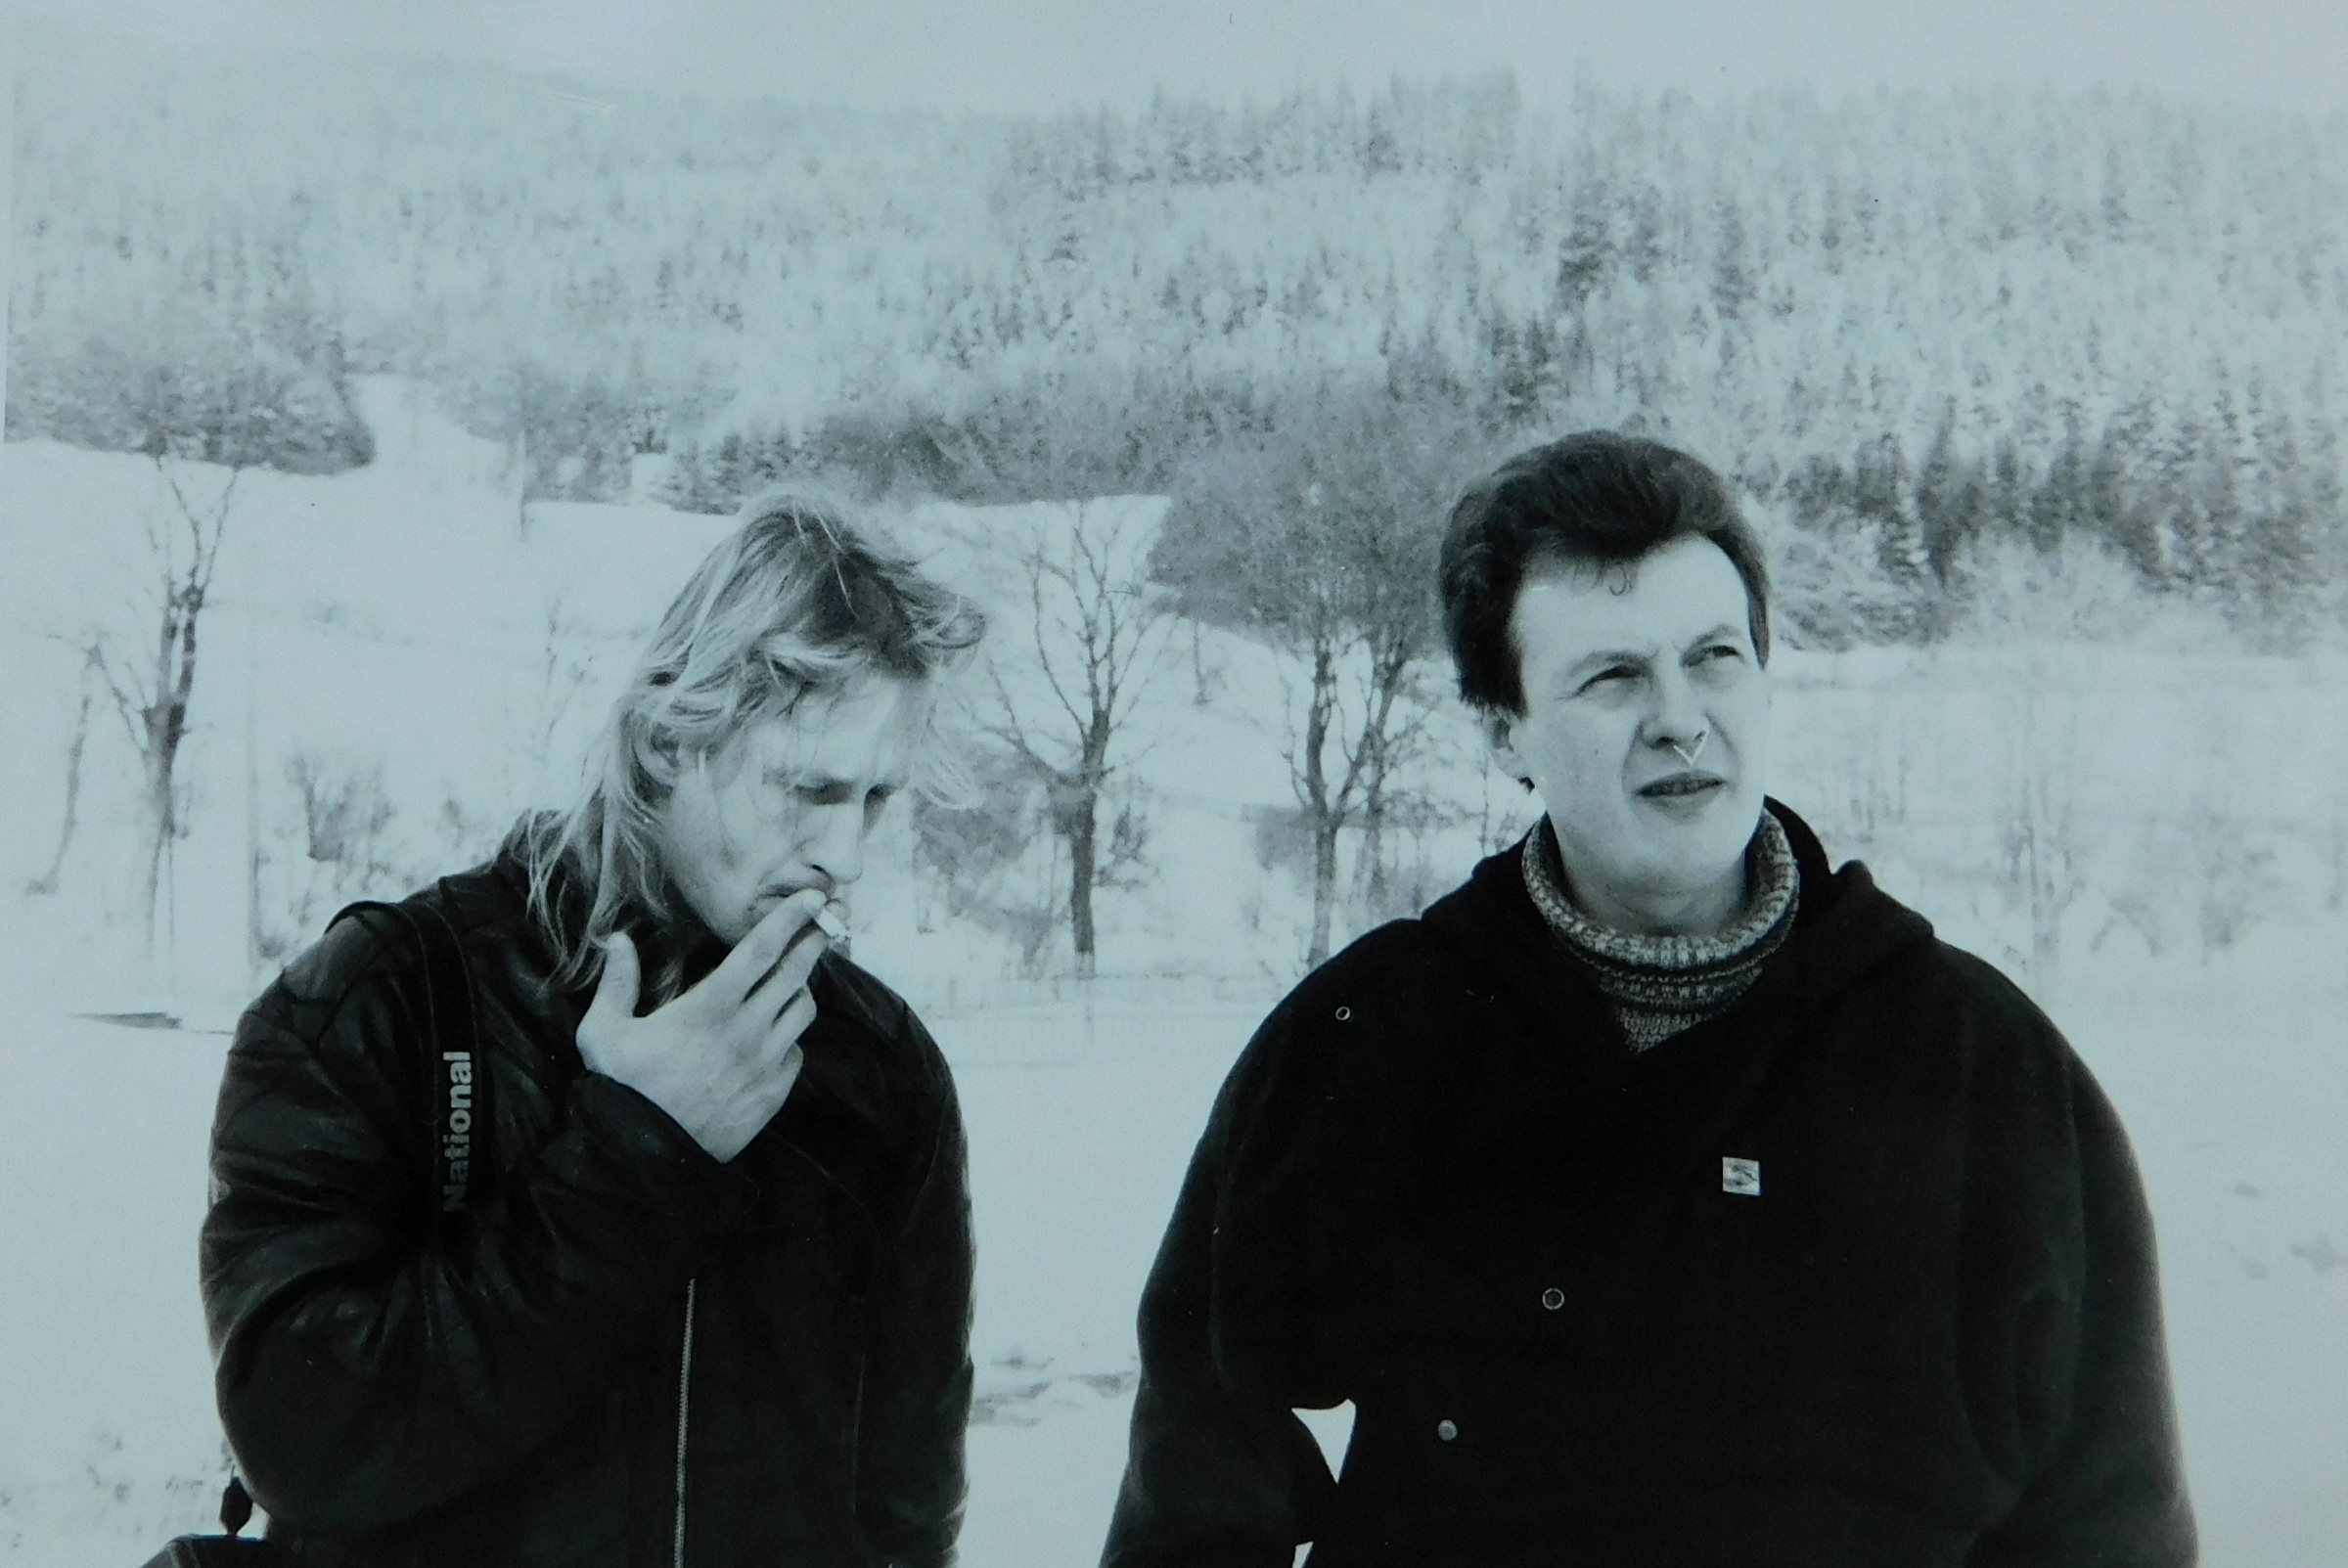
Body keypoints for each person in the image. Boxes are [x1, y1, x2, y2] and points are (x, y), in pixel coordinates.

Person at [1102, 432, 2194, 1567]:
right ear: (1505, 730)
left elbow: (2109, 1520)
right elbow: (1201, 1465)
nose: (1680, 716)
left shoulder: (1975, 1062)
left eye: (1714, 657)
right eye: (1613, 675)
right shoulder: (1371, 1038)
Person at [203, 492, 985, 1566]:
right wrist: (635, 1156)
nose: (843, 855)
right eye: (810, 789)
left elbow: (903, 1520)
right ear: (669, 742)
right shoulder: (382, 1001)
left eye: (877, 799)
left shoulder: (880, 1067)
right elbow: (302, 1443)